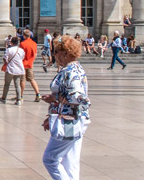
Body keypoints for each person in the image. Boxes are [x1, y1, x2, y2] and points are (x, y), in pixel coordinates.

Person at [41, 35, 91, 180]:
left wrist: (54, 99)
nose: (54, 55)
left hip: (70, 121)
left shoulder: (71, 72)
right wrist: (52, 115)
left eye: (56, 51)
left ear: (66, 53)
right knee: (70, 163)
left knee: (50, 159)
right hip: (74, 119)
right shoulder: (73, 68)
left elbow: (80, 99)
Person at [0, 35, 26, 105]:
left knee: (7, 84)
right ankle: (19, 99)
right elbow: (22, 58)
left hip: (10, 69)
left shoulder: (9, 50)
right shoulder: (21, 50)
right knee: (17, 85)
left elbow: (5, 58)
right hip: (19, 69)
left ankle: (4, 98)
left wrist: (6, 62)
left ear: (11, 43)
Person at [21, 30, 41, 102]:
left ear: (24, 36)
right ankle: (38, 94)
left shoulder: (22, 44)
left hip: (23, 64)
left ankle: (21, 96)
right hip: (30, 64)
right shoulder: (34, 43)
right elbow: (35, 54)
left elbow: (21, 54)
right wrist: (31, 61)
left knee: (22, 80)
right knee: (32, 79)